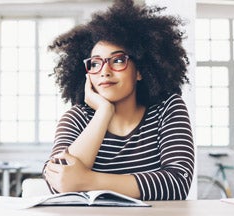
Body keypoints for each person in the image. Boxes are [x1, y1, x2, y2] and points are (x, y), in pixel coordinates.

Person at [43, 0, 194, 201]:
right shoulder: (76, 118)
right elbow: (58, 183)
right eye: (95, 63)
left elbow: (177, 184)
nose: (105, 71)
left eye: (118, 60)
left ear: (140, 70)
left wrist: (88, 180)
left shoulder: (167, 109)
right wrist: (103, 112)